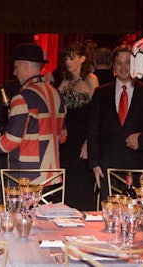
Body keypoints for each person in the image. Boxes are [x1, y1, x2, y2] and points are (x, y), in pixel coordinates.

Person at [0, 43, 66, 187]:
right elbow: (63, 136)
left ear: (25, 66)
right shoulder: (56, 94)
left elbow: (11, 141)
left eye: (16, 67)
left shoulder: (22, 98)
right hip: (53, 177)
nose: (14, 73)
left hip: (26, 179)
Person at [88, 44, 143, 201]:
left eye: (128, 62)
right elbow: (93, 130)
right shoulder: (101, 93)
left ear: (135, 64)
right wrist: (94, 163)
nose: (123, 67)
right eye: (119, 62)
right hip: (108, 167)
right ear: (113, 65)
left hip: (139, 169)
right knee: (110, 217)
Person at [56, 42, 99, 211]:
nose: (68, 61)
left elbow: (97, 113)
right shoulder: (65, 81)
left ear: (82, 58)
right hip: (67, 139)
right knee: (67, 181)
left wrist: (90, 141)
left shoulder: (91, 79)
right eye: (66, 57)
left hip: (83, 137)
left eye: (72, 57)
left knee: (81, 183)